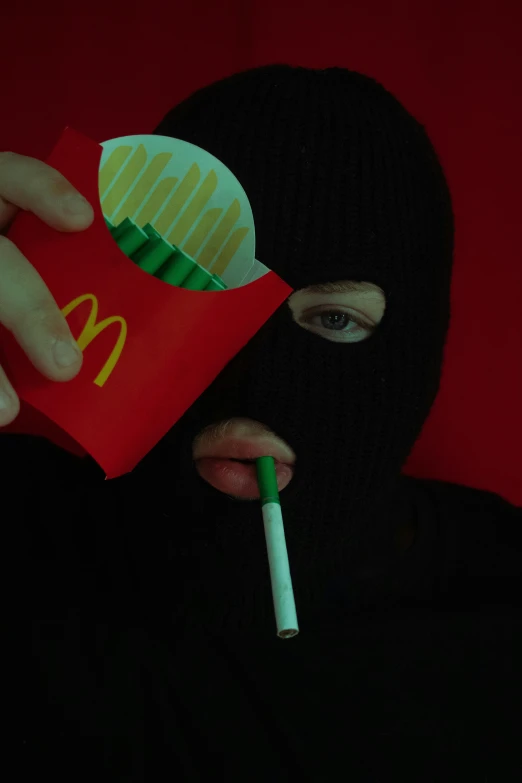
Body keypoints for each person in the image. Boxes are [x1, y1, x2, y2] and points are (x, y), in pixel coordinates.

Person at [2, 65, 520, 780]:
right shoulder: (18, 530)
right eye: (201, 294)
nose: (258, 377)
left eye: (335, 317)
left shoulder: (497, 607)